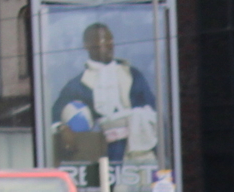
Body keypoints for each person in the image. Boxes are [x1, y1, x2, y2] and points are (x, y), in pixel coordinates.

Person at [50, 22, 159, 166]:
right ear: (87, 45)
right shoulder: (79, 84)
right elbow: (55, 115)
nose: (109, 45)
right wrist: (63, 128)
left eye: (111, 40)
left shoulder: (132, 75)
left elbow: (151, 108)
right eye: (102, 40)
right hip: (102, 150)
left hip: (138, 146)